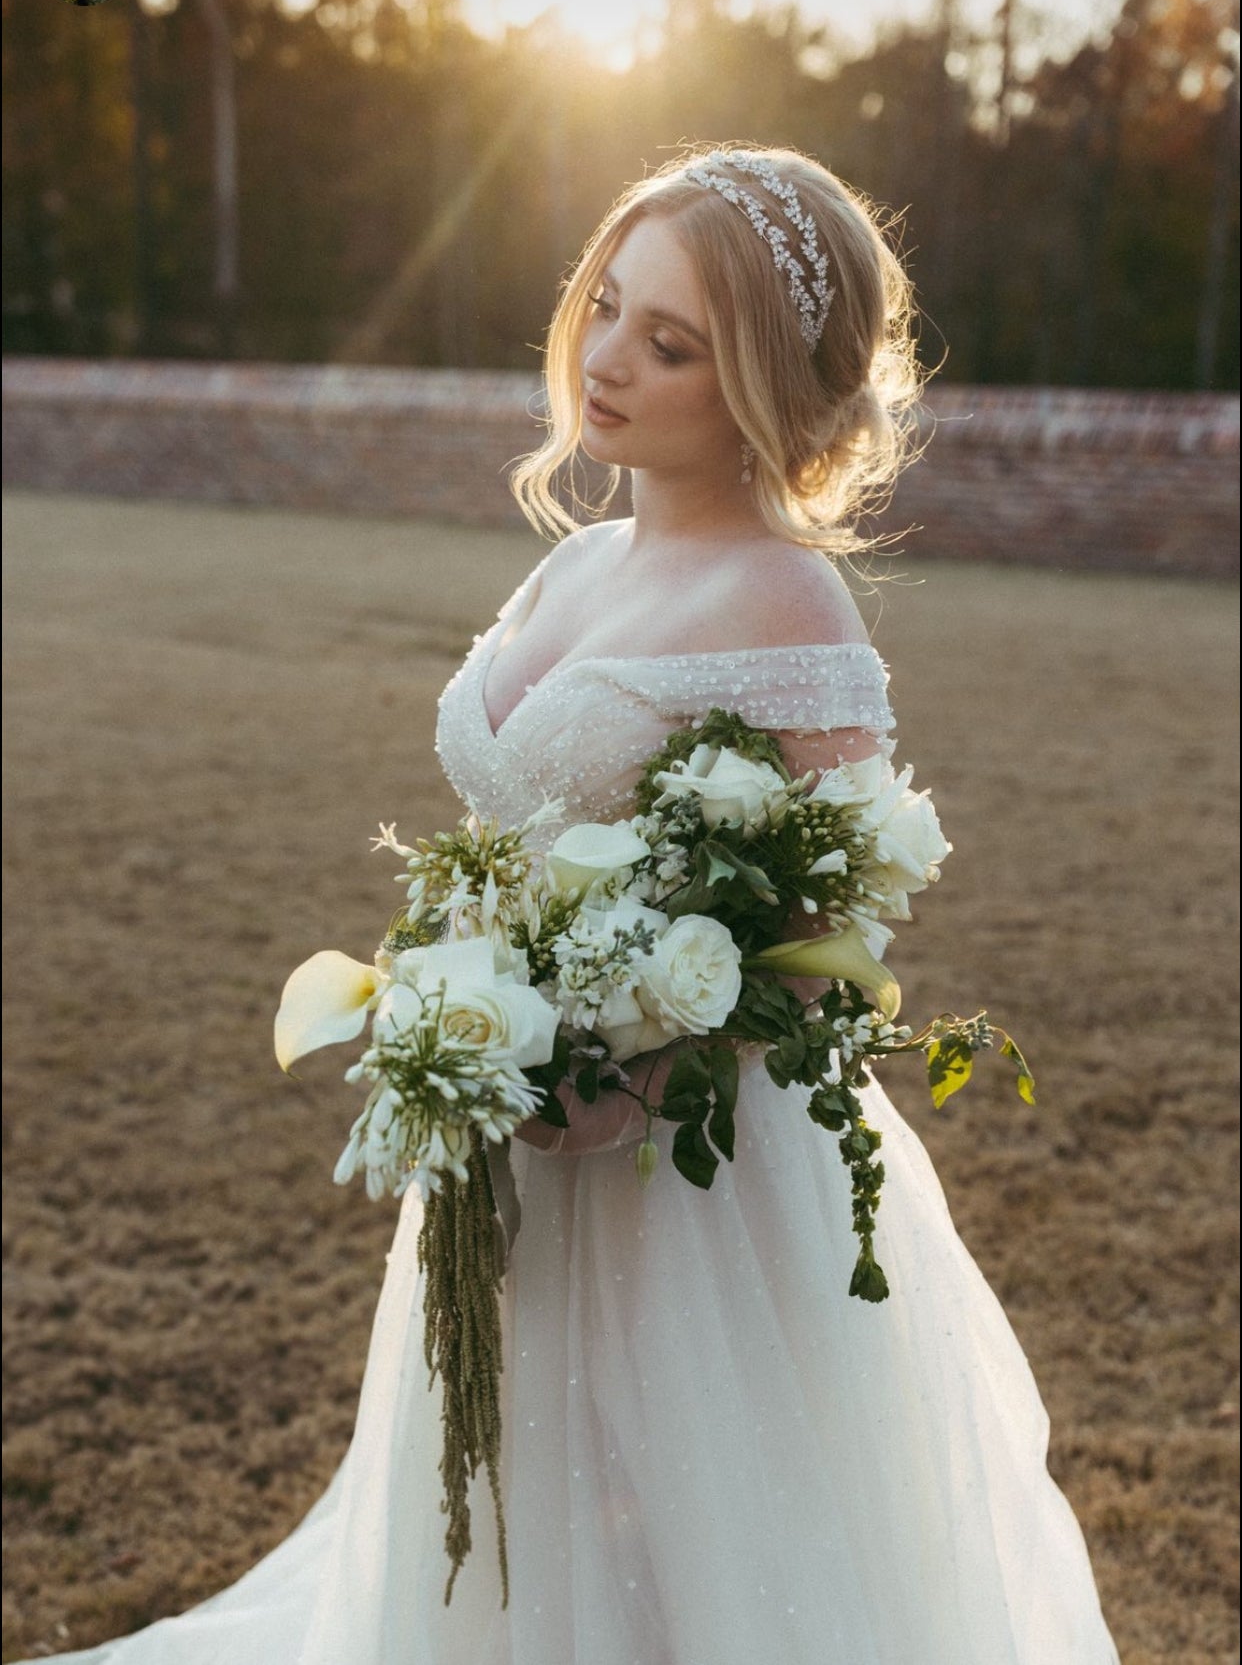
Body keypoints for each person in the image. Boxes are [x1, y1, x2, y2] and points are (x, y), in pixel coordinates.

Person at [20, 145, 1120, 1663]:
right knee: (516, 1546)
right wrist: (466, 1001)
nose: (606, 358)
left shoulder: (786, 602)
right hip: (510, 1153)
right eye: (606, 305)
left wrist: (643, 1072)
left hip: (692, 1186)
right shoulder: (581, 560)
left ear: (760, 382)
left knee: (685, 1553)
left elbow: (840, 926)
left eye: (668, 343)